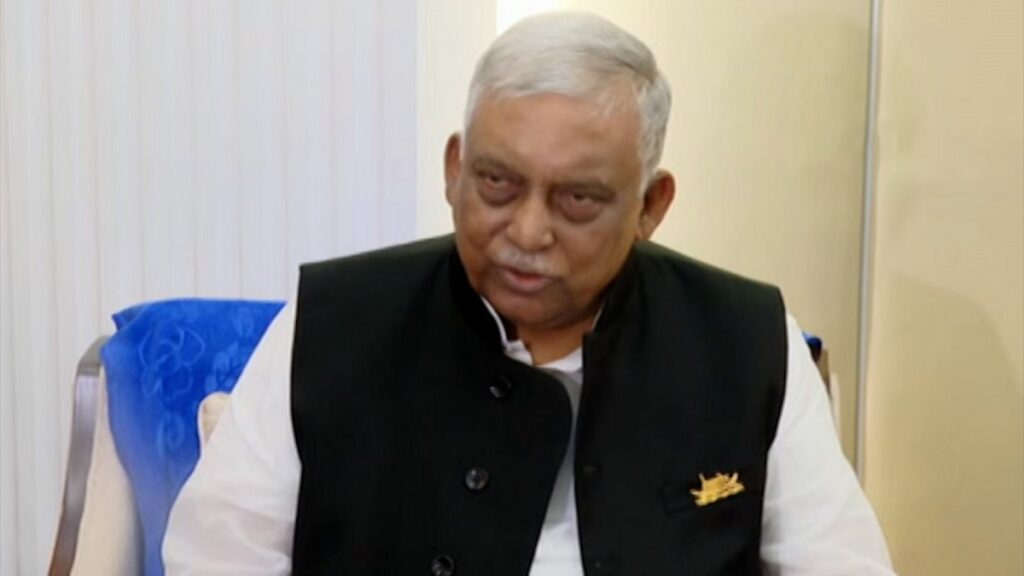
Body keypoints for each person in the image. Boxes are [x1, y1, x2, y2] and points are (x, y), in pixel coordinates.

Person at [164, 12, 894, 575]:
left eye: (578, 199)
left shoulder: (746, 343)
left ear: (650, 205)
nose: (528, 230)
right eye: (497, 183)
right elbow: (218, 558)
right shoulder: (333, 323)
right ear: (454, 169)